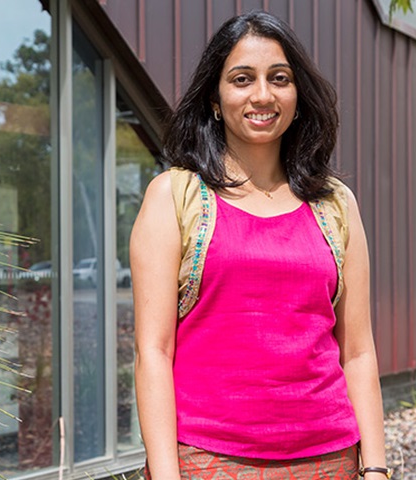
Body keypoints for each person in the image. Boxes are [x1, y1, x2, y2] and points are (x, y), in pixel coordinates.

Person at [130, 11, 388, 480]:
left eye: (280, 78)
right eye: (242, 79)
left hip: (330, 460)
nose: (262, 95)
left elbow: (358, 351)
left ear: (297, 95)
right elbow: (153, 352)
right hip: (206, 461)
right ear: (215, 97)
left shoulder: (335, 204)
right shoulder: (175, 196)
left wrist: (375, 469)